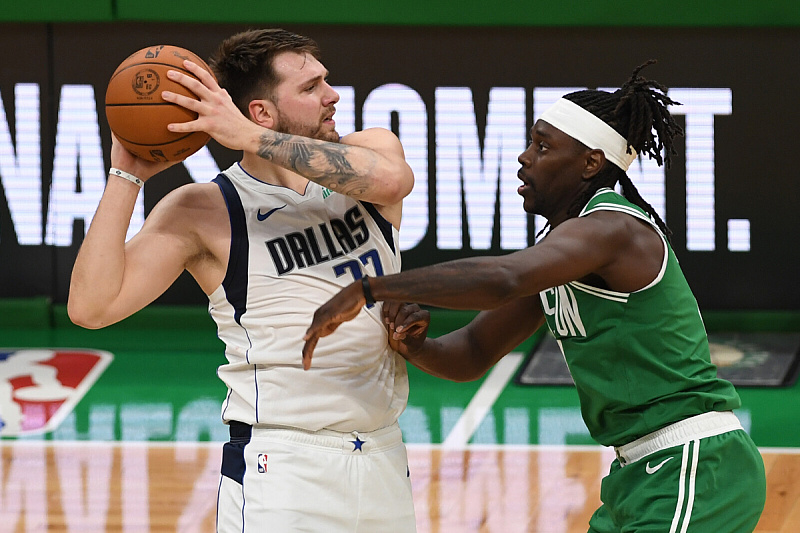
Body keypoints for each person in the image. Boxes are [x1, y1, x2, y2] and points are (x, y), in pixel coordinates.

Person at [303, 61, 767, 532]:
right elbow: (471, 353)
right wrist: (418, 346)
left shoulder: (612, 228)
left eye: (543, 146)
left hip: (693, 464)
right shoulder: (563, 252)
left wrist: (372, 287)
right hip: (637, 472)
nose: (525, 157)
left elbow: (503, 278)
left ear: (590, 162)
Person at [68, 28, 424, 532]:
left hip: (384, 449)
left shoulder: (370, 151)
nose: (332, 96)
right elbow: (91, 308)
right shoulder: (202, 209)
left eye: (326, 80)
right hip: (281, 465)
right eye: (310, 88)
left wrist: (250, 138)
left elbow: (393, 181)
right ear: (261, 111)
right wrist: (125, 175)